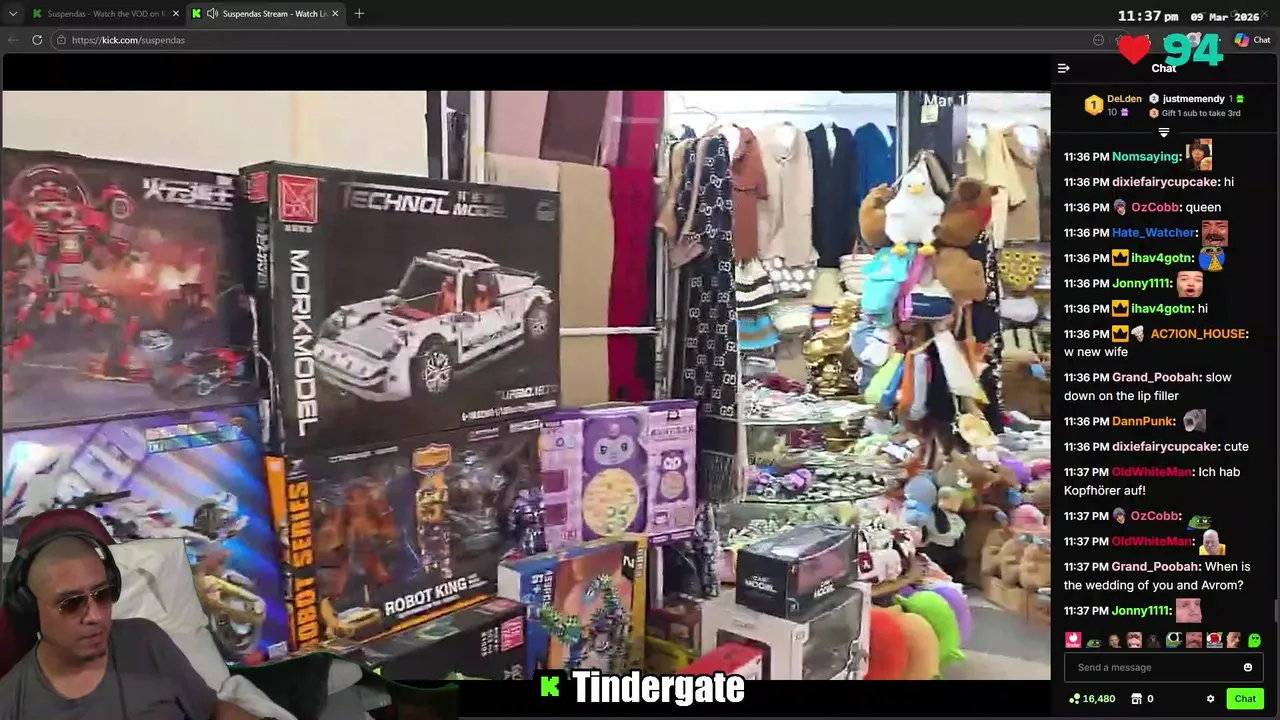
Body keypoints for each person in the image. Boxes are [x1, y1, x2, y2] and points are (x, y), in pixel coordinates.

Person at [0, 511, 258, 720]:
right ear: (30, 608)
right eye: (71, 603)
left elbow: (213, 709)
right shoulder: (10, 704)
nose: (95, 616)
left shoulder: (146, 640)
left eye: (103, 594)